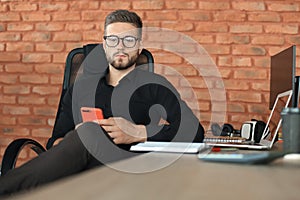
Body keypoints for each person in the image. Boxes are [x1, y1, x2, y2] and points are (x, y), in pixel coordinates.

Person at [0, 9, 204, 196]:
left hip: (130, 174)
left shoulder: (155, 85)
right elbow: (54, 141)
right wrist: (75, 140)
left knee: (89, 132)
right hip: (79, 172)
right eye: (113, 40)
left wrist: (139, 132)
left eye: (129, 40)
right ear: (105, 45)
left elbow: (194, 132)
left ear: (139, 47)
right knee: (88, 133)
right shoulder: (81, 88)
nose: (120, 47)